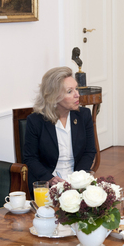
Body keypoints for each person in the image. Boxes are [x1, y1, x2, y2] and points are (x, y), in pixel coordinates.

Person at [23, 66, 96, 194]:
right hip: (47, 183)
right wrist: (50, 179)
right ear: (54, 96)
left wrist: (77, 179)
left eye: (76, 89)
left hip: (77, 180)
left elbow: (90, 151)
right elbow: (30, 158)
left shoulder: (84, 115)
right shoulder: (36, 121)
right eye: (70, 91)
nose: (77, 95)